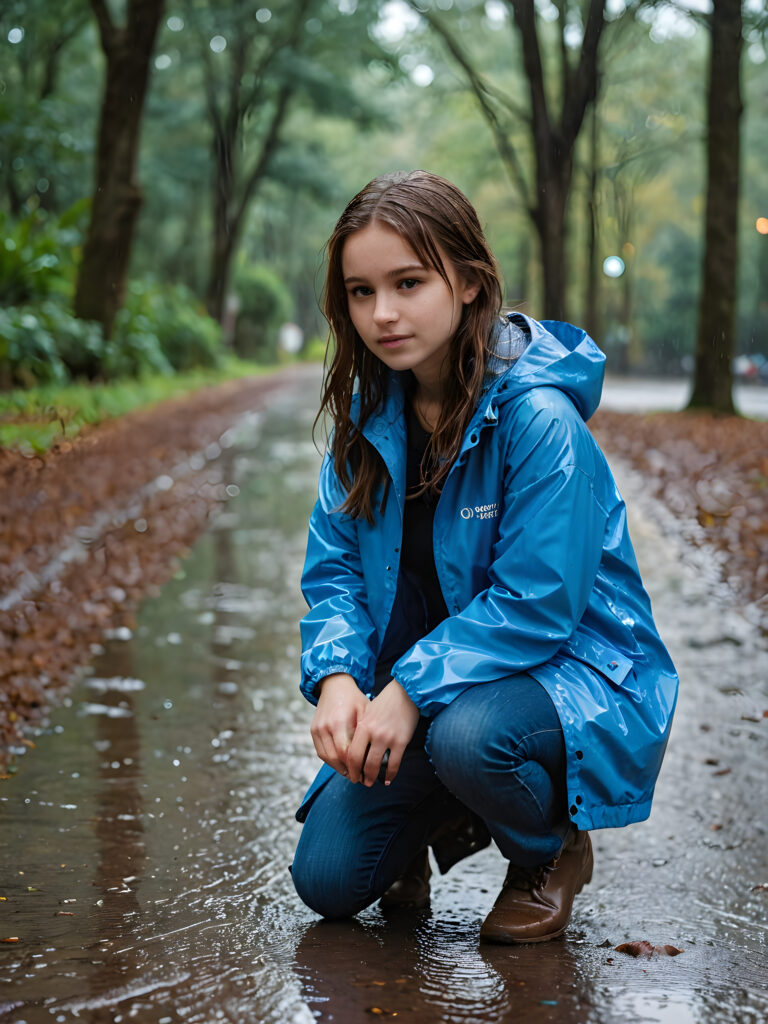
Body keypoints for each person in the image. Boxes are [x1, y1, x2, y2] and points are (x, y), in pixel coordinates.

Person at [290, 169, 678, 944]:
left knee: (470, 740)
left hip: (567, 676)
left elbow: (538, 603)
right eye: (361, 292)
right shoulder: (367, 418)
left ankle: (549, 849)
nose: (383, 313)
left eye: (408, 282)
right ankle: (434, 808)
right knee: (327, 881)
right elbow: (335, 570)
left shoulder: (538, 420)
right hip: (439, 690)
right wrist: (336, 679)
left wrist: (405, 690)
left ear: (468, 282)